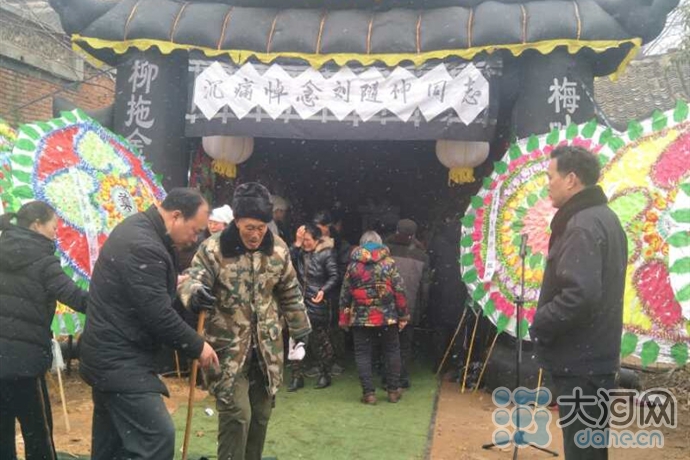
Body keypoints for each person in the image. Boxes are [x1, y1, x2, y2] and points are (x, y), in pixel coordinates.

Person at [80, 188, 219, 460]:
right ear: (176, 216)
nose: (196, 238)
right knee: (157, 437)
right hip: (121, 361)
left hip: (108, 357)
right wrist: (198, 346)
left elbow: (140, 290)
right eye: (194, 230)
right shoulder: (144, 245)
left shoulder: (139, 229)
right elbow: (158, 316)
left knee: (111, 444)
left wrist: (171, 282)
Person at [179, 182, 311, 460]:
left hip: (267, 349)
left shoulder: (278, 250)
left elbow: (290, 291)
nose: (256, 234)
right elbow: (191, 280)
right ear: (236, 220)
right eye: (250, 227)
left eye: (261, 227)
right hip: (226, 348)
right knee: (238, 414)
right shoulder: (213, 249)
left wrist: (300, 328)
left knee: (261, 414)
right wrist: (195, 294)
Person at [530, 146, 627, 460]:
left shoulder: (581, 225)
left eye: (551, 176)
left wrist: (542, 321)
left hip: (581, 363)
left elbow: (579, 295)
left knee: (583, 450)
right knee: (591, 446)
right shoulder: (604, 218)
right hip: (595, 356)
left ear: (571, 179)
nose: (548, 184)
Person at [0, 201, 88, 460]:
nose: (55, 233)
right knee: (38, 434)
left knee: (2, 435)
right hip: (25, 364)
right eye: (54, 227)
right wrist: (114, 294)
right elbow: (77, 299)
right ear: (37, 225)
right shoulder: (43, 261)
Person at [339, 230, 408, 405]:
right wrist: (403, 315)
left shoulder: (353, 266)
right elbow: (399, 291)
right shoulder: (389, 263)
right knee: (392, 351)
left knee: (363, 353)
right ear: (380, 243)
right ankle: (393, 391)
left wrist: (343, 318)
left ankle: (369, 393)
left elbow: (345, 294)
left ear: (362, 244)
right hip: (387, 317)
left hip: (360, 318)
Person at [288, 222, 338, 391]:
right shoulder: (299, 252)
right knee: (295, 340)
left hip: (317, 302)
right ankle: (297, 376)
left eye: (308, 240)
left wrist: (323, 290)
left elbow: (334, 276)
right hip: (298, 301)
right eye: (304, 240)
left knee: (320, 340)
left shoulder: (326, 253)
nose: (305, 243)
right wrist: (297, 242)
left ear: (317, 240)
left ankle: (325, 373)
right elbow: (286, 260)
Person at [386, 219, 430, 389]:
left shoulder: (385, 251)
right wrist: (422, 308)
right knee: (404, 345)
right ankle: (401, 378)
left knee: (388, 344)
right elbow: (425, 287)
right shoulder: (422, 256)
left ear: (396, 231)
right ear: (414, 235)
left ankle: (388, 378)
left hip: (386, 306)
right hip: (410, 307)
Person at [427, 218, 469, 374]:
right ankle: (456, 363)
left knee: (439, 330)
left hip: (440, 290)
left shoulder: (438, 242)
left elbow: (430, 262)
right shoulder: (466, 244)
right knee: (458, 330)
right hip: (460, 291)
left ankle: (439, 363)